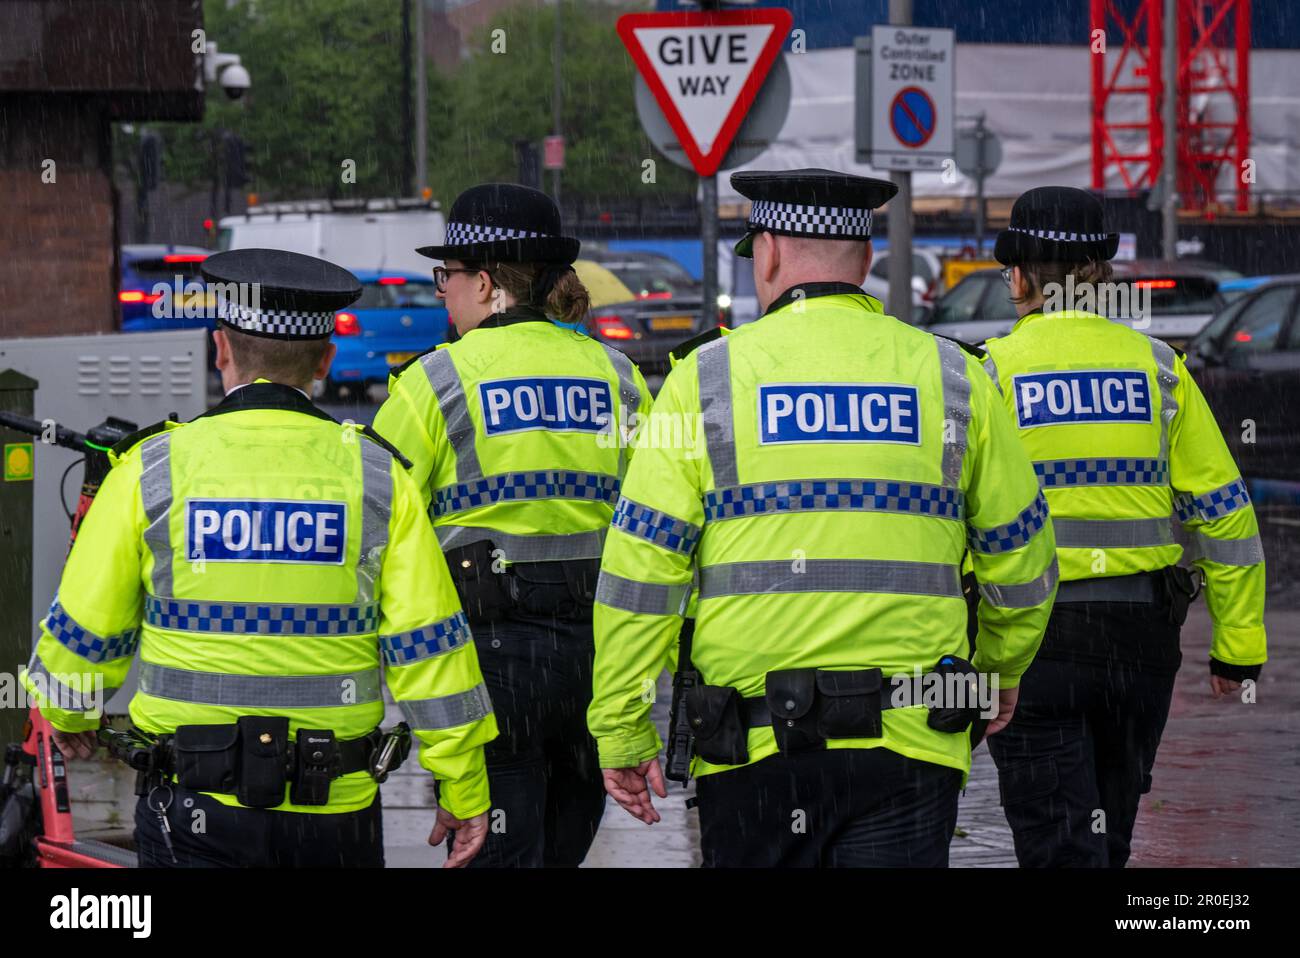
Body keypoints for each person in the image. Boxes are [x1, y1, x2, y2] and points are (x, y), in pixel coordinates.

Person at [587, 168, 1058, 867]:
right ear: (865, 260)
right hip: (912, 742)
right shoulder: (955, 376)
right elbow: (1021, 557)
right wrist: (996, 670)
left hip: (753, 748)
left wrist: (623, 729)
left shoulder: (704, 379)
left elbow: (641, 571)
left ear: (769, 252)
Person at [21, 249, 497, 868]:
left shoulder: (152, 470)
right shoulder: (379, 478)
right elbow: (430, 649)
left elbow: (87, 626)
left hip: (191, 807)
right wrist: (463, 783)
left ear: (221, 349)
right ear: (326, 360)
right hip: (334, 809)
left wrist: (68, 710)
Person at [981, 186, 1268, 867]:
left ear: (1019, 276)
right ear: (1100, 277)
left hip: (1033, 643)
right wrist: (1239, 645)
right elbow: (1224, 511)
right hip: (1140, 644)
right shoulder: (1161, 370)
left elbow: (963, 524)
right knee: (1110, 838)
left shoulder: (990, 374)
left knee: (1056, 841)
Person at [373, 184, 651, 867]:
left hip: (488, 672)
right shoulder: (618, 377)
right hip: (597, 667)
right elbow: (660, 527)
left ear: (488, 283)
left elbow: (371, 524)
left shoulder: (434, 383)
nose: (443, 291)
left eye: (450, 275)